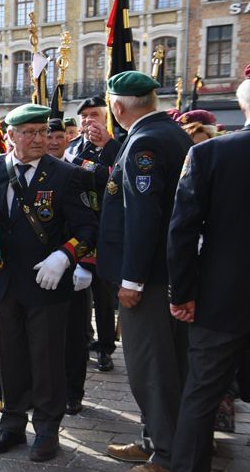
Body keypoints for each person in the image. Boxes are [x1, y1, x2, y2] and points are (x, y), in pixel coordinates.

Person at [0, 104, 97, 462]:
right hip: (3, 281)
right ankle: (13, 421)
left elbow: (88, 229)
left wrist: (65, 256)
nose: (38, 139)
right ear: (11, 136)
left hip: (47, 283)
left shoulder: (66, 175)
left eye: (42, 132)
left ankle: (48, 427)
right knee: (9, 355)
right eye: (28, 133)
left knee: (47, 357)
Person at [97, 71, 192, 472]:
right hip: (170, 274)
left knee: (151, 369)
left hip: (148, 280)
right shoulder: (173, 134)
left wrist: (131, 280)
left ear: (117, 108)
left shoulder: (145, 144)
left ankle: (167, 455)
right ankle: (159, 440)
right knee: (173, 365)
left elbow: (142, 217)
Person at [167, 70, 250, 472]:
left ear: (242, 106)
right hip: (222, 302)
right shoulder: (208, 153)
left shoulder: (211, 154)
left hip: (221, 300)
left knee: (200, 397)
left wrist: (182, 294)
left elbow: (182, 232)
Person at [64, 96, 119, 373]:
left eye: (94, 115)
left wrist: (102, 151)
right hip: (80, 228)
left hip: (105, 229)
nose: (87, 120)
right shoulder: (73, 146)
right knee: (78, 292)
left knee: (103, 294)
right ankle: (84, 338)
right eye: (83, 116)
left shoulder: (116, 145)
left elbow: (113, 177)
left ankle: (106, 346)